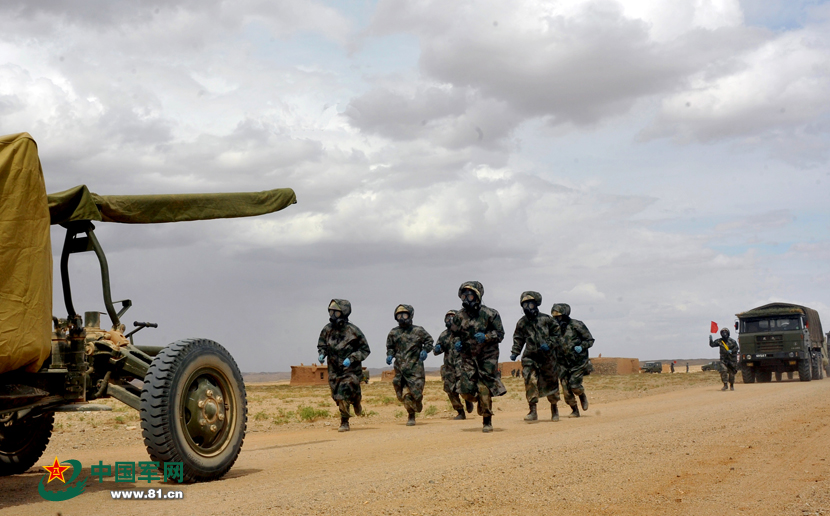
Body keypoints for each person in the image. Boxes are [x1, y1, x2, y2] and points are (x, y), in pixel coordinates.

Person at [455, 281, 507, 433]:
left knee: (484, 388)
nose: (466, 298)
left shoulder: (491, 314)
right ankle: (477, 401)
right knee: (464, 390)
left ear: (477, 296)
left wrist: (486, 336)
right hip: (468, 357)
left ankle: (487, 420)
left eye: (469, 295)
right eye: (463, 295)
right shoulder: (459, 316)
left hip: (487, 357)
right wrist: (457, 342)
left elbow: (500, 334)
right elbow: (454, 334)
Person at [317, 299, 371, 432]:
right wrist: (322, 353)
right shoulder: (327, 329)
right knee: (336, 395)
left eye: (336, 312)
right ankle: (355, 401)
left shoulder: (353, 330)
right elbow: (322, 344)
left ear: (344, 313)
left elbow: (365, 350)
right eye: (331, 312)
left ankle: (344, 421)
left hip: (350, 369)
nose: (333, 315)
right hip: (334, 369)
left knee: (343, 391)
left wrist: (352, 358)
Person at [510, 291, 561, 422]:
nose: (527, 307)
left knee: (551, 383)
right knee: (530, 380)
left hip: (547, 358)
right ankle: (532, 410)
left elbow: (557, 335)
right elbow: (518, 338)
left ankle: (554, 408)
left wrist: (549, 344)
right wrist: (515, 351)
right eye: (524, 305)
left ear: (536, 304)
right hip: (530, 357)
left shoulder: (547, 319)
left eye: (530, 304)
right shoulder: (522, 323)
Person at [386, 304, 434, 426]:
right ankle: (411, 416)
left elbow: (429, 341)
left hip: (415, 369)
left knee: (416, 394)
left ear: (410, 315)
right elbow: (390, 347)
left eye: (405, 315)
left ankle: (418, 402)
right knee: (405, 395)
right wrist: (390, 355)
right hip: (400, 370)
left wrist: (425, 350)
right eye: (399, 315)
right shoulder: (393, 332)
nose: (402, 318)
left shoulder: (418, 330)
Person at [551, 303, 594, 417]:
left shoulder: (576, 325)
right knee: (566, 389)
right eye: (555, 317)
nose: (557, 319)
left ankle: (582, 395)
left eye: (559, 316)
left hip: (577, 362)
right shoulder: (553, 328)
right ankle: (574, 410)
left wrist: (582, 346)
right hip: (561, 363)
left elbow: (590, 340)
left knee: (574, 385)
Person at [433, 310, 473, 420]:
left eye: (452, 317)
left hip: (463, 366)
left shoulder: (464, 332)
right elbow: (436, 351)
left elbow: (473, 346)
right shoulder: (444, 335)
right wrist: (438, 348)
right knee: (450, 390)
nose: (449, 320)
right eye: (447, 318)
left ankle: (468, 399)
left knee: (463, 387)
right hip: (449, 368)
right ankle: (460, 411)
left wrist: (464, 344)